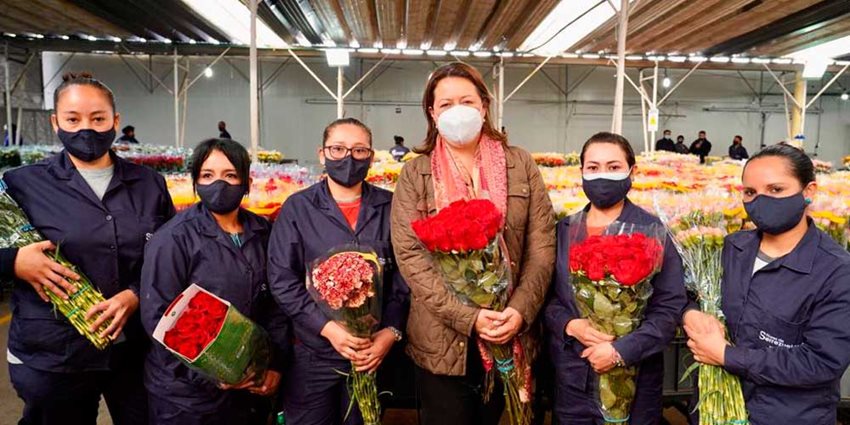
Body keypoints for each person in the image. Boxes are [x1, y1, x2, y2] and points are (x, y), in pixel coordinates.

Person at [4, 72, 175, 425]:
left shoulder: (149, 184)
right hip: (56, 353)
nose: (86, 129)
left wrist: (136, 294)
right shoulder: (22, 184)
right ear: (56, 123)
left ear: (115, 120)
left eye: (98, 119)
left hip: (134, 349)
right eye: (73, 119)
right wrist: (14, 260)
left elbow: (170, 257)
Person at [390, 62, 555, 425]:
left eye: (466, 101)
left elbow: (541, 247)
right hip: (442, 342)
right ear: (432, 113)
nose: (457, 111)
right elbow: (411, 257)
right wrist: (469, 318)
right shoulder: (415, 173)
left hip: (512, 329)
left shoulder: (520, 164)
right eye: (446, 104)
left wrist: (520, 311)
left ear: (484, 106)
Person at [683, 144, 850, 425]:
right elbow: (693, 294)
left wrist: (727, 355)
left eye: (775, 189)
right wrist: (691, 313)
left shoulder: (836, 271)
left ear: (808, 191)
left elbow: (821, 362)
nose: (761, 201)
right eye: (750, 192)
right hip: (716, 407)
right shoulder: (731, 248)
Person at [269, 118, 409, 425]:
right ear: (322, 154)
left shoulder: (392, 207)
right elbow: (282, 280)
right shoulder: (297, 208)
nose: (348, 158)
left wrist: (390, 332)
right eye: (338, 149)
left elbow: (405, 276)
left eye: (359, 150)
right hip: (313, 352)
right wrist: (328, 329)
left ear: (371, 156)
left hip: (371, 353)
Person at [140, 138, 290, 425]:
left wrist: (273, 365)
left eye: (230, 175)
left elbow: (277, 304)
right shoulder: (173, 238)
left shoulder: (264, 232)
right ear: (196, 183)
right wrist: (214, 373)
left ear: (247, 183)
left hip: (250, 388)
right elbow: (158, 317)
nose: (219, 184)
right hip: (188, 396)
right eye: (208, 175)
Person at [544, 132, 686, 424]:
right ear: (581, 172)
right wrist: (569, 325)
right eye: (593, 167)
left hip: (634, 378)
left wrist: (621, 351)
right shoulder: (564, 230)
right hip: (573, 376)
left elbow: (669, 307)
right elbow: (549, 299)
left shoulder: (652, 232)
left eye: (613, 167)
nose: (602, 175)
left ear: (632, 172)